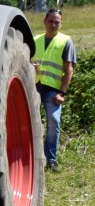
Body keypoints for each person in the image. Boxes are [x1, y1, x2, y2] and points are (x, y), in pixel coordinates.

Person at [33, 9, 77, 172]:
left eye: (57, 22)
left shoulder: (66, 41)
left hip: (53, 90)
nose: (53, 25)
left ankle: (50, 159)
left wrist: (62, 93)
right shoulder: (35, 39)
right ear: (45, 21)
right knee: (30, 124)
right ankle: (34, 158)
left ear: (61, 23)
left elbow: (69, 69)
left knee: (54, 121)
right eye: (51, 21)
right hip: (34, 87)